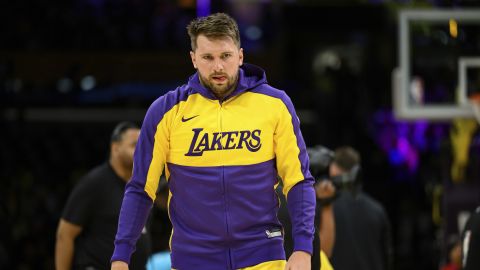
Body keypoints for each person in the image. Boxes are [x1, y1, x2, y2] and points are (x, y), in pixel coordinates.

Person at [111, 12, 316, 270]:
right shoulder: (165, 112)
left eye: (225, 56)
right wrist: (120, 256)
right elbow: (141, 189)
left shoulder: (276, 105)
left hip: (263, 257)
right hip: (193, 260)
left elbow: (299, 181)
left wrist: (303, 249)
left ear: (240, 56)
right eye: (208, 57)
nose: (218, 67)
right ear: (193, 59)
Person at [55, 122, 151, 270]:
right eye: (134, 145)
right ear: (116, 148)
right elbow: (65, 234)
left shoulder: (142, 186)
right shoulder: (95, 183)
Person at [316, 146, 393, 270]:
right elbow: (387, 258)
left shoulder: (324, 208)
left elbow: (319, 254)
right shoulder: (377, 210)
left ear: (332, 169)